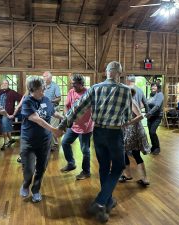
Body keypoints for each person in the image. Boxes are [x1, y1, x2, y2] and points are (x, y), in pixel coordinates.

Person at [56, 61, 132, 223]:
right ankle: (100, 201)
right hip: (114, 132)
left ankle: (108, 202)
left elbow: (77, 108)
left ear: (106, 72)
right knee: (118, 166)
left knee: (104, 166)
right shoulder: (126, 91)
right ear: (119, 73)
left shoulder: (95, 88)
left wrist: (63, 126)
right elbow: (127, 117)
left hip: (98, 132)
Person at [19, 77, 63, 203]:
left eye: (43, 89)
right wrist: (53, 130)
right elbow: (36, 118)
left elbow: (53, 113)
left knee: (41, 168)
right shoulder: (27, 102)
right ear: (33, 90)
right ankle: (26, 184)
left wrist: (65, 118)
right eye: (40, 90)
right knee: (29, 169)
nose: (43, 92)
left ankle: (36, 190)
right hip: (28, 141)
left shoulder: (46, 100)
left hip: (44, 141)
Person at [60, 73, 94, 180]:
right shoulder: (71, 92)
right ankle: (71, 163)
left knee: (85, 150)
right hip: (73, 126)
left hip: (86, 127)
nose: (73, 86)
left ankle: (86, 171)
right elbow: (66, 105)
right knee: (65, 142)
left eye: (75, 84)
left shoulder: (89, 93)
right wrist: (67, 116)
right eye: (72, 84)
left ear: (81, 84)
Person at [119, 88, 150, 186]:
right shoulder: (130, 101)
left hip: (133, 131)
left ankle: (128, 174)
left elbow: (140, 116)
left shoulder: (131, 102)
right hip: (133, 130)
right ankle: (144, 178)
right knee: (135, 153)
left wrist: (127, 123)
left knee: (124, 150)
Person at [0, 80, 22, 150]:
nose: (4, 84)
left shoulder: (12, 92)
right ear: (1, 84)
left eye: (6, 83)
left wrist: (18, 109)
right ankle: (10, 139)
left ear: (8, 84)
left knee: (4, 127)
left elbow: (22, 98)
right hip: (1, 113)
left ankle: (5, 142)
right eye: (3, 83)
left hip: (8, 113)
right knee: (5, 126)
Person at [43, 71, 61, 151]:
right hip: (44, 110)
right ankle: (49, 143)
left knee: (52, 127)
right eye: (43, 76)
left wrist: (50, 101)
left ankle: (55, 144)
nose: (43, 78)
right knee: (46, 127)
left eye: (45, 76)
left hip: (54, 109)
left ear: (50, 78)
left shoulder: (55, 86)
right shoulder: (42, 86)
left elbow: (59, 98)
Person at [146, 82, 164, 155]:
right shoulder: (151, 95)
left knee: (153, 132)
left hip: (157, 116)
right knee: (150, 132)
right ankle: (153, 147)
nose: (153, 87)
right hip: (150, 117)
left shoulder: (160, 95)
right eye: (152, 86)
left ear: (158, 87)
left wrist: (149, 113)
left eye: (154, 86)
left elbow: (157, 106)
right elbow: (146, 103)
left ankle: (157, 147)